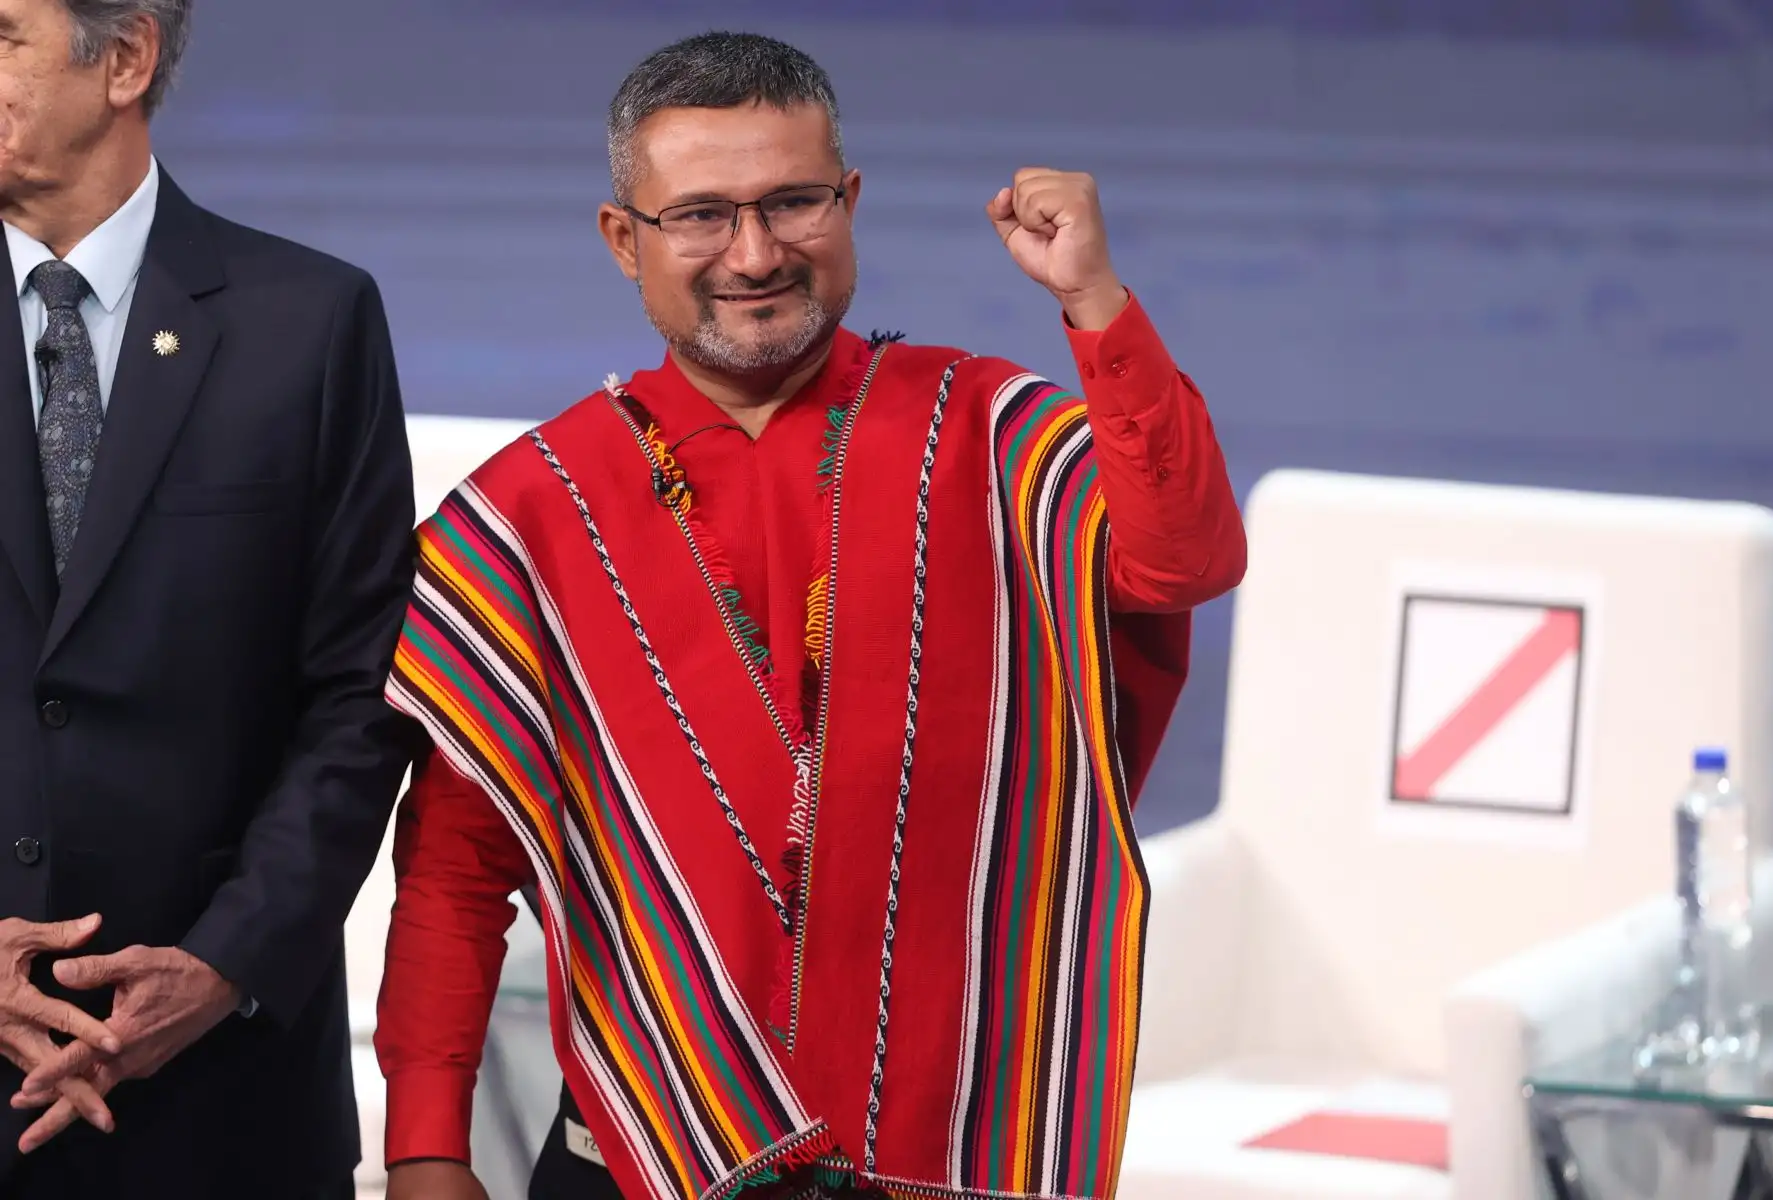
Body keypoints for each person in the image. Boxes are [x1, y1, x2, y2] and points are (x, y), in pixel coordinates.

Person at [377, 30, 1246, 1200]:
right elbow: (455, 869)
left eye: (793, 202)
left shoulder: (992, 429)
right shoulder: (527, 516)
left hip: (950, 1158)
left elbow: (1183, 559)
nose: (753, 252)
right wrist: (428, 1150)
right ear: (621, 239)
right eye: (699, 215)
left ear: (850, 202)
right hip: (640, 1161)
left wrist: (1095, 300)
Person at [0, 1, 420, 1196]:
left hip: (218, 1097)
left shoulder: (312, 322)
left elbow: (361, 691)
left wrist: (222, 964)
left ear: (123, 57)